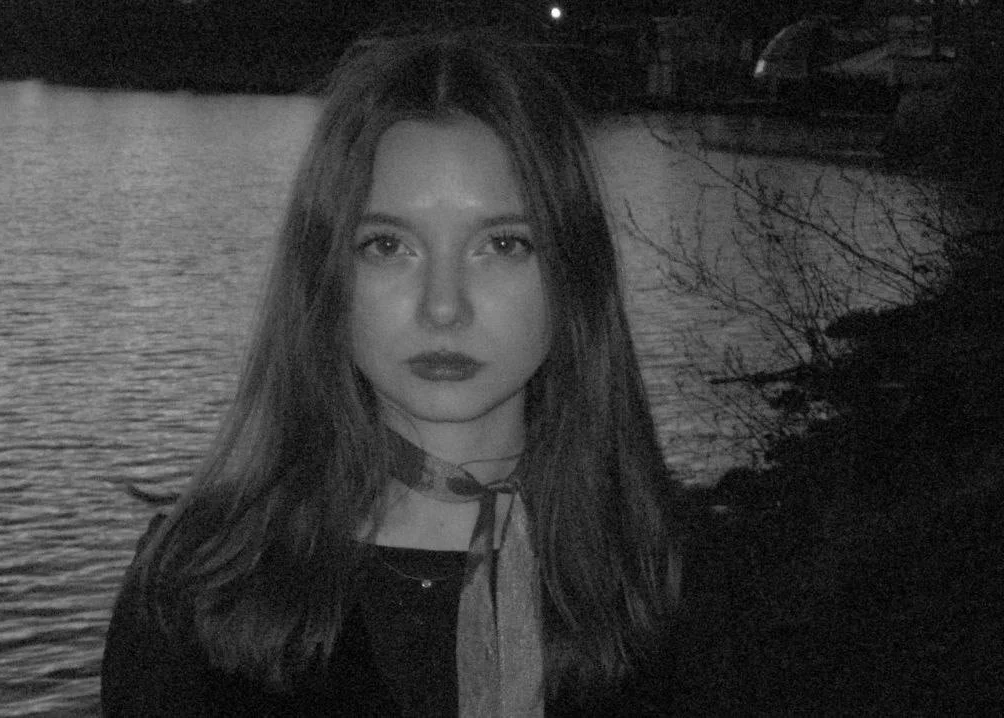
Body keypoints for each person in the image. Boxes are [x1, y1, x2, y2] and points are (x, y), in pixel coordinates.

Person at [103, 27, 680, 717]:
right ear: (324, 274)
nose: (444, 307)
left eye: (503, 244)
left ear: (574, 272)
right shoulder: (192, 598)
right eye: (387, 245)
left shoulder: (685, 585)